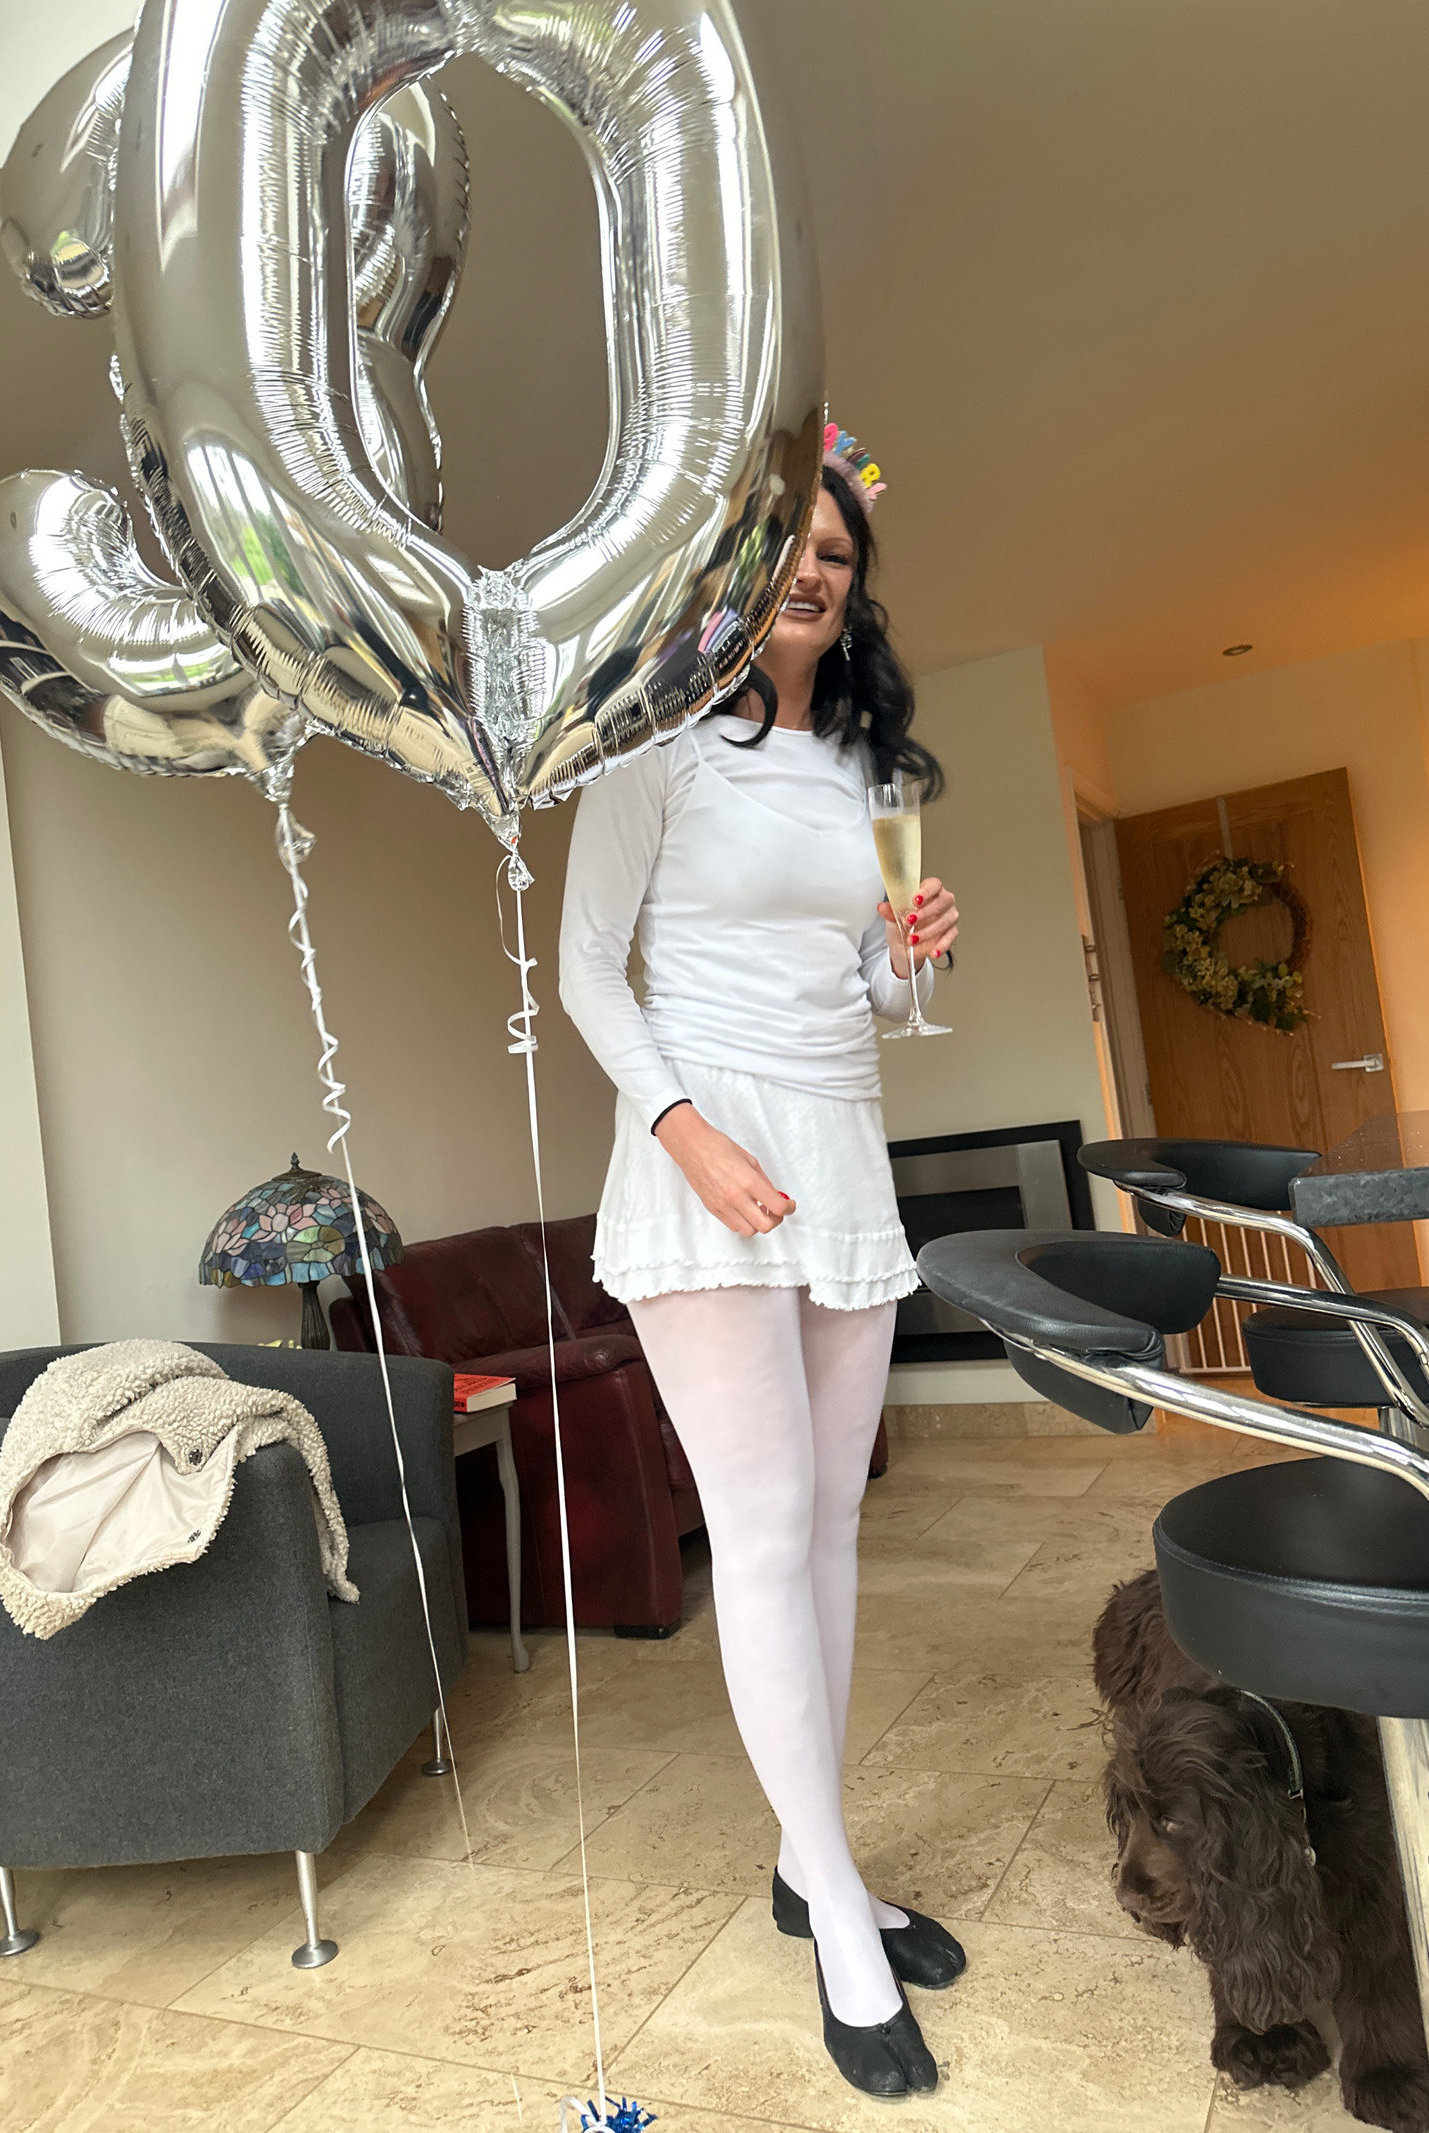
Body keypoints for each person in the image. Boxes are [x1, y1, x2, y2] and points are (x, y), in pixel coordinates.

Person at [558, 425, 961, 2098]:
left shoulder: (875, 772)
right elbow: (590, 969)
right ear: (732, 568)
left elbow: (879, 992)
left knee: (835, 1524)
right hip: (704, 1158)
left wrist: (915, 958)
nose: (814, 570)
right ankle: (839, 1913)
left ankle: (812, 1858)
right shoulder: (652, 742)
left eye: (837, 552)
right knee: (767, 1525)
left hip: (841, 1143)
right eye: (788, 543)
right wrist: (684, 1133)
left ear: (857, 588)